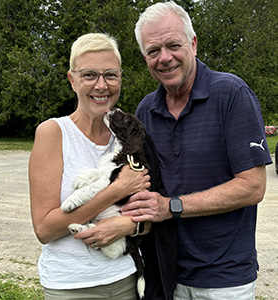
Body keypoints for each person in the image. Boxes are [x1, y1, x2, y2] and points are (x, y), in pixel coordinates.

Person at [121, 1, 273, 300]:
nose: (164, 58)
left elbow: (253, 187)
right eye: (153, 51)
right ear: (144, 57)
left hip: (224, 278)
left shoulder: (231, 94)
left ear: (192, 43)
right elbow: (141, 184)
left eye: (173, 45)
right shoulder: (146, 110)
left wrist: (171, 207)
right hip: (167, 273)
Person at [29, 33, 152, 300]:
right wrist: (115, 190)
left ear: (120, 78)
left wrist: (128, 226)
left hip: (124, 279)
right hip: (71, 286)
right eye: (89, 75)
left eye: (110, 75)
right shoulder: (53, 133)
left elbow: (148, 215)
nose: (101, 85)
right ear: (72, 80)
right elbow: (44, 230)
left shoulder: (127, 136)